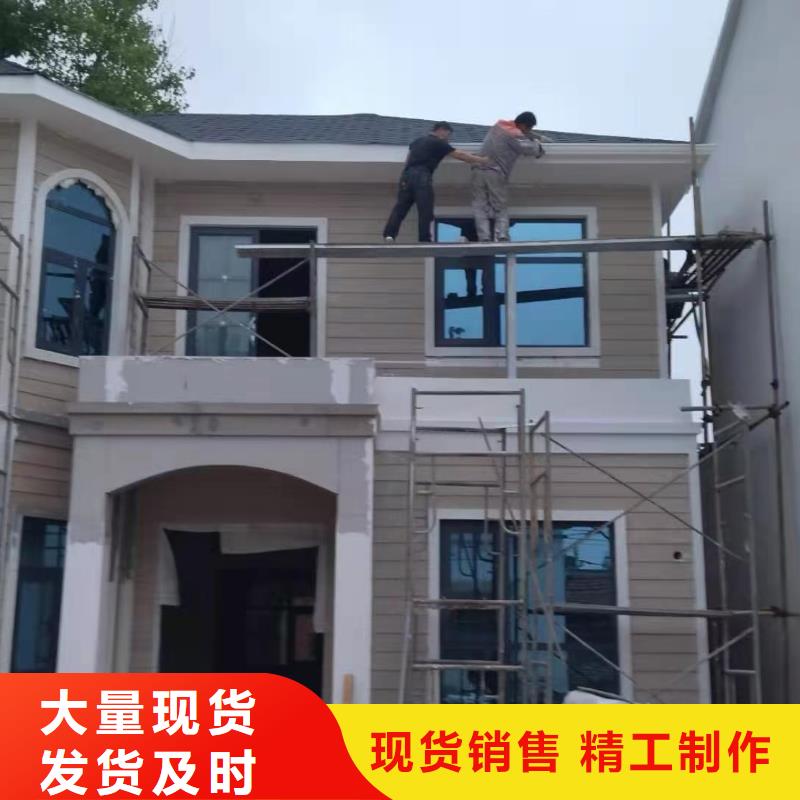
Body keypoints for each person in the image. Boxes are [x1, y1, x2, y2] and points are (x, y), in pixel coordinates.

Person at [383, 122, 488, 243]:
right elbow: (460, 155)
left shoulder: (417, 141)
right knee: (425, 209)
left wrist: (406, 177)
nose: (448, 138)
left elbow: (408, 159)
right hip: (422, 175)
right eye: (448, 135)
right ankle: (424, 239)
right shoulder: (438, 143)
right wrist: (482, 160)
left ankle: (389, 235)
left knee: (401, 207)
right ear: (441, 130)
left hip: (406, 176)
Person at [472, 112, 548, 242]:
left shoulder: (499, 125)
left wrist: (535, 135)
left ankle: (484, 237)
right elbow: (529, 148)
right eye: (529, 127)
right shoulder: (514, 134)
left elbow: (523, 133)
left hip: (477, 170)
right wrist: (539, 146)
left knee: (480, 206)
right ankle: (502, 235)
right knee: (500, 206)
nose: (529, 130)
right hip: (494, 172)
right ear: (523, 125)